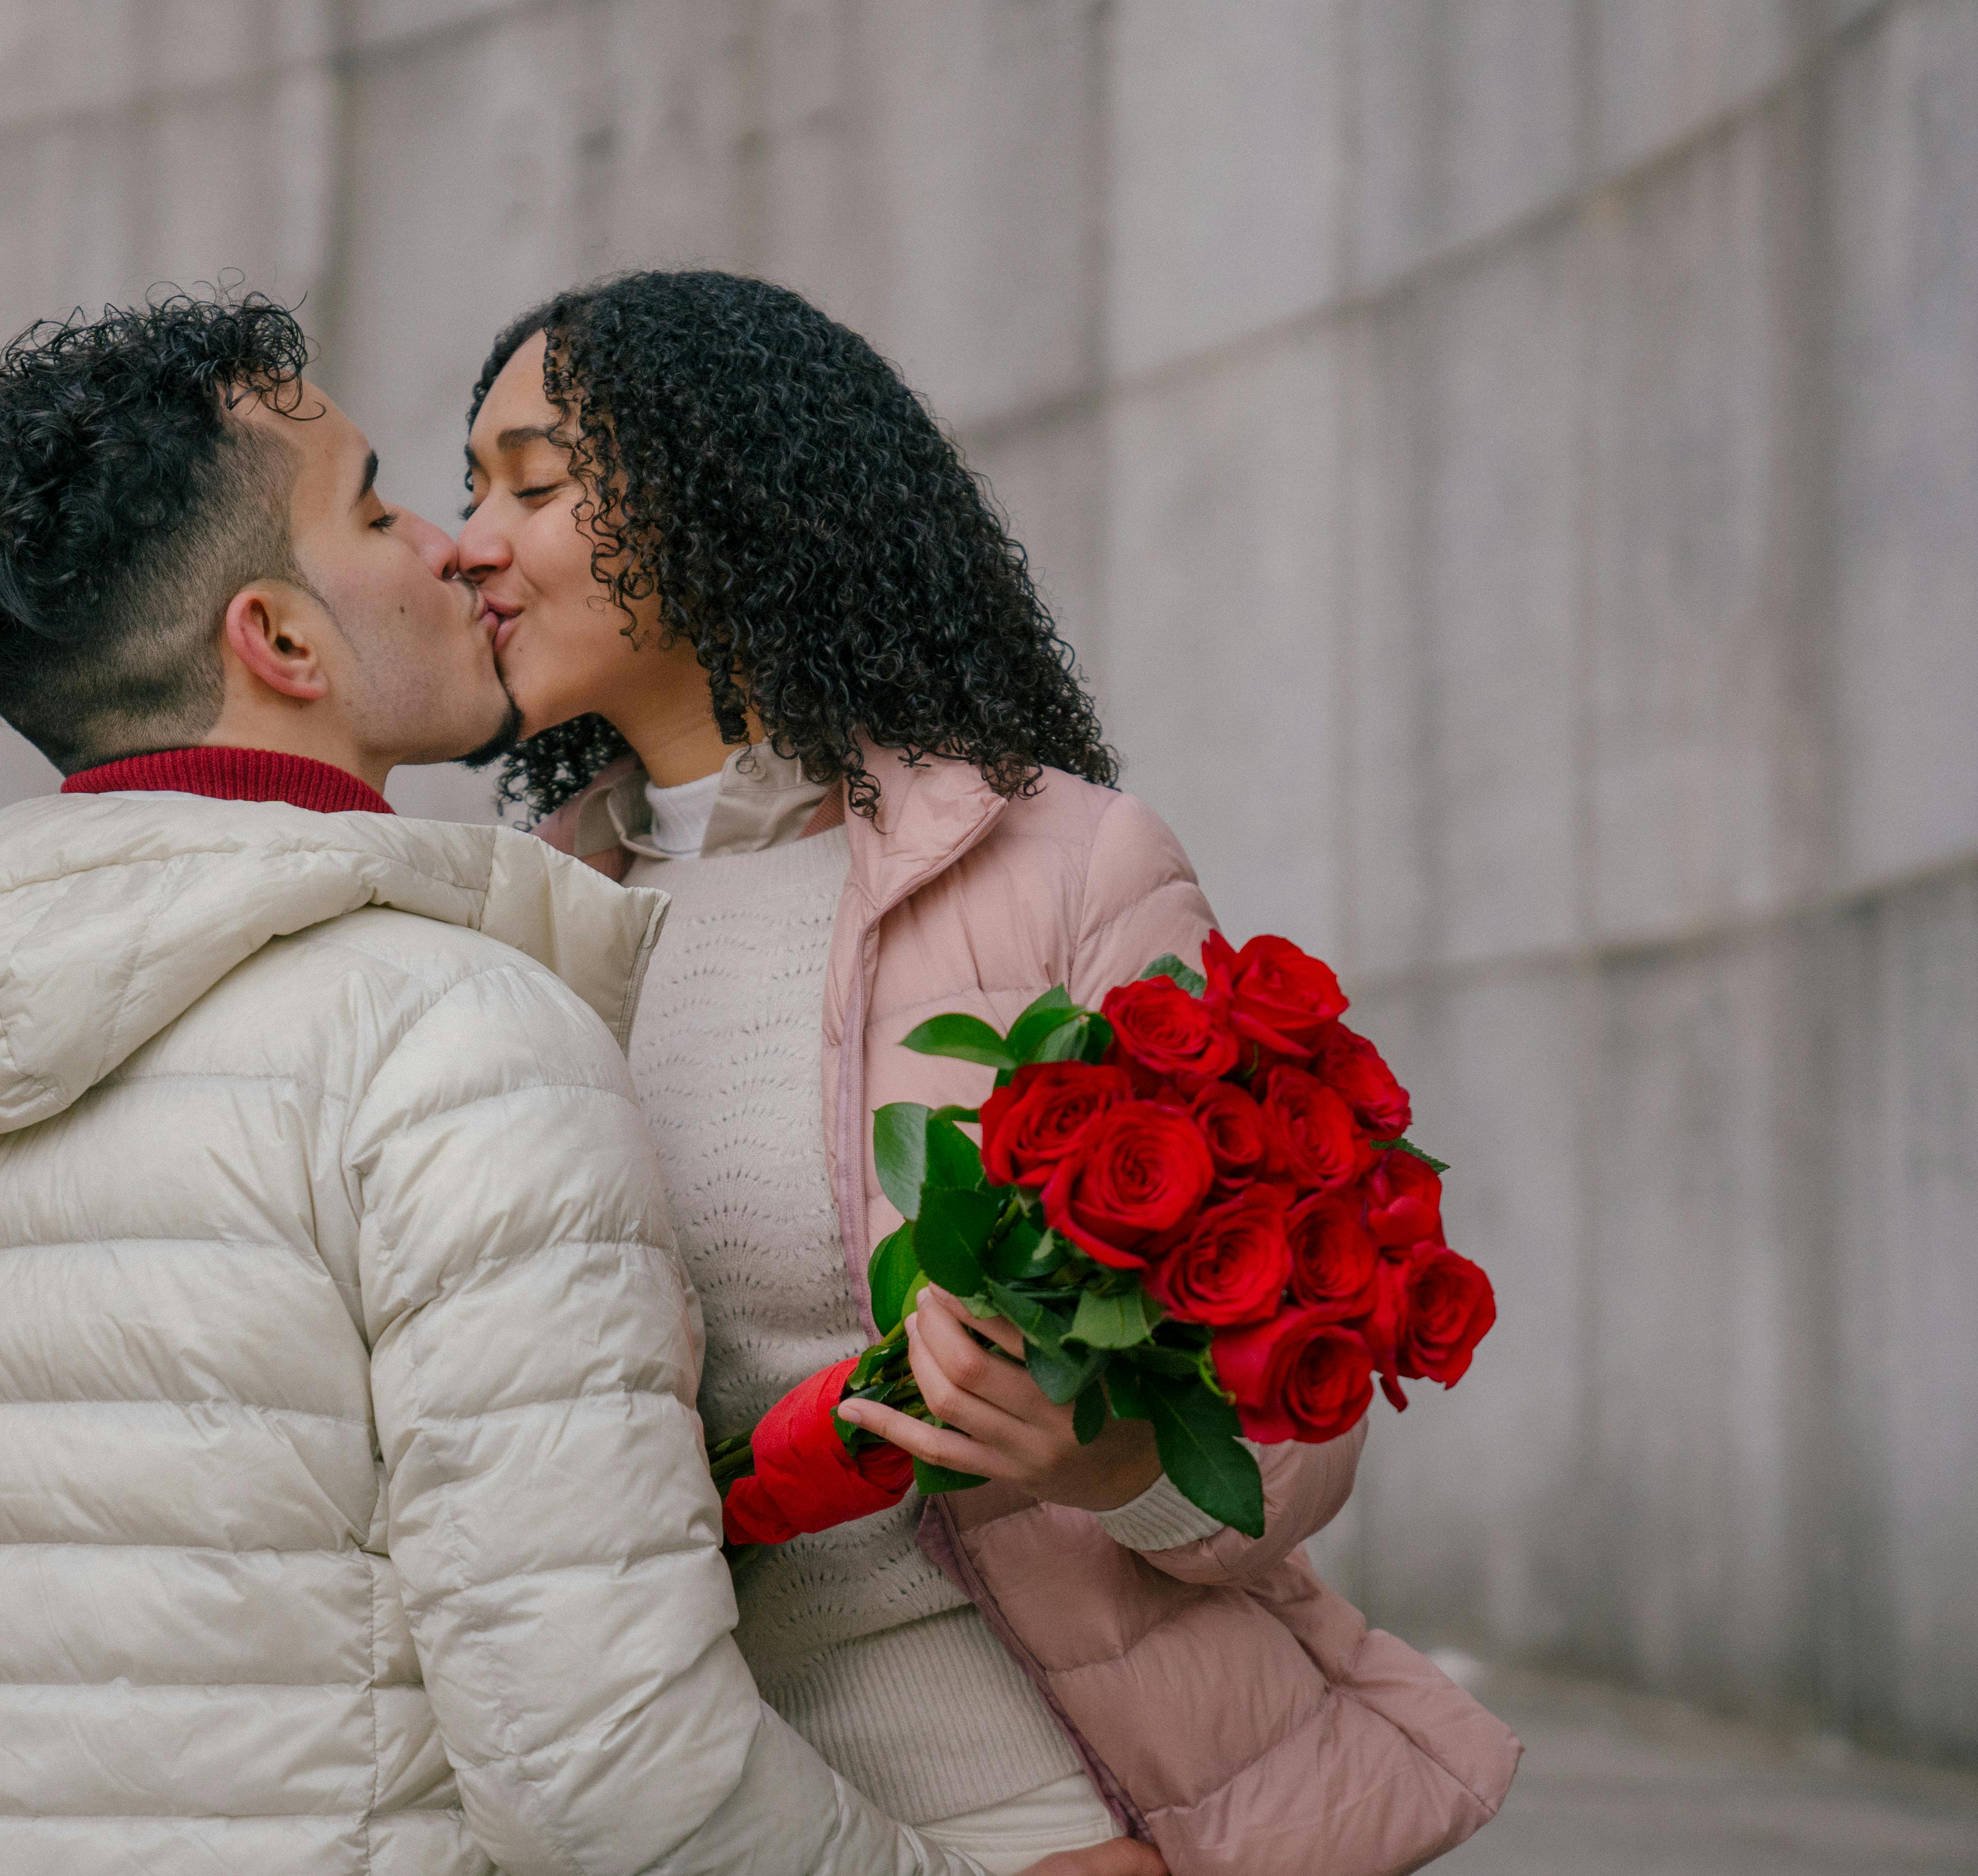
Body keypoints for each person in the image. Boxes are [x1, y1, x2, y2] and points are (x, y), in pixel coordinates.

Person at [0, 292, 1034, 1876]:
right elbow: (608, 1768)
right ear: (275, 639)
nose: (451, 549)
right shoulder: (453, 1034)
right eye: (379, 503)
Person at [454, 270, 1519, 1876]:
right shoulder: (520, 935)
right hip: (668, 1816)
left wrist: (1118, 1462)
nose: (468, 539)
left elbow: (1290, 1417)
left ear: (719, 500)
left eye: (530, 485)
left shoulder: (1064, 869)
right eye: (469, 490)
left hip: (1035, 1799)